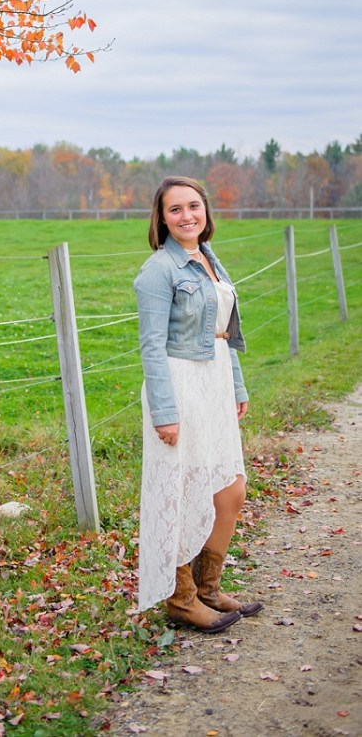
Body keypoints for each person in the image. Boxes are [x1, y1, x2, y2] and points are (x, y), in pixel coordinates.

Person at [134, 176, 263, 632]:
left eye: (194, 206)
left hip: (215, 382)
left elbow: (224, 330)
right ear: (162, 218)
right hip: (180, 384)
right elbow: (151, 346)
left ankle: (208, 587)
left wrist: (237, 387)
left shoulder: (208, 259)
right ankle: (181, 598)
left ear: (205, 211)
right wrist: (165, 412)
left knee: (230, 487)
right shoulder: (159, 270)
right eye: (175, 209)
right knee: (183, 491)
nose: (187, 215)